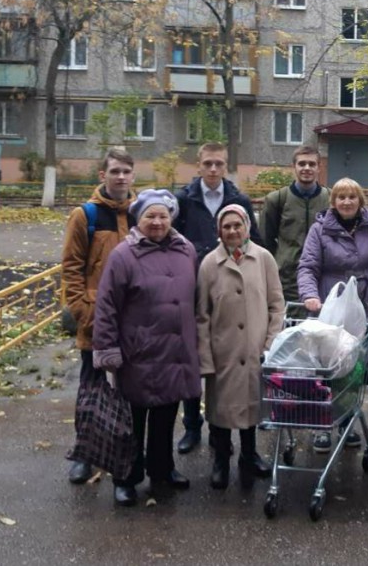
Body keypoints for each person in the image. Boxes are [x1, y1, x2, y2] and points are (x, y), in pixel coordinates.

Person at [92, 189, 201, 507]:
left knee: (166, 418)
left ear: (172, 218)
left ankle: (162, 471)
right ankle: (125, 478)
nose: (157, 222)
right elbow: (107, 305)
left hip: (174, 352)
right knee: (132, 422)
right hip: (137, 352)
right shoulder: (123, 255)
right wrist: (107, 349)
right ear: (138, 219)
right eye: (150, 216)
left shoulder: (187, 250)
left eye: (163, 216)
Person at [173, 141, 263, 455]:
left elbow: (256, 240)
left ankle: (235, 435)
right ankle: (193, 427)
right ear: (198, 165)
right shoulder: (183, 200)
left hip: (230, 289)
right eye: (208, 163)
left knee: (230, 361)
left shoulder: (238, 199)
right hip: (191, 288)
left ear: (226, 166)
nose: (213, 169)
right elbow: (172, 241)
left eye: (219, 164)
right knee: (196, 358)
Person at [298, 178, 368, 453]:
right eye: (341, 197)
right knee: (326, 368)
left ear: (360, 201)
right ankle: (322, 426)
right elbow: (307, 266)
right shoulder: (320, 230)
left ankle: (348, 420)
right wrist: (309, 295)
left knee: (355, 368)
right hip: (331, 305)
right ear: (334, 202)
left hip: (363, 305)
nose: (347, 202)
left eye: (352, 197)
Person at [61, 147, 136, 485]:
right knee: (91, 389)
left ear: (133, 176)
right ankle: (86, 455)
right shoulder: (86, 215)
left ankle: (128, 453)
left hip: (133, 322)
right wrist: (84, 312)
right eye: (115, 171)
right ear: (102, 175)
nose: (120, 177)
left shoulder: (141, 213)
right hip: (96, 321)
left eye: (126, 171)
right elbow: (71, 270)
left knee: (131, 391)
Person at [197, 204, 285, 490]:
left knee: (251, 408)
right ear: (219, 231)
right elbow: (202, 315)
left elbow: (276, 305)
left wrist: (270, 344)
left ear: (247, 226)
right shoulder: (210, 263)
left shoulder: (264, 259)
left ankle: (250, 455)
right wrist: (206, 358)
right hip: (224, 351)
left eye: (238, 225)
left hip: (255, 348)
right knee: (220, 411)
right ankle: (221, 461)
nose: (233, 231)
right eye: (227, 226)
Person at [261, 145, 330, 306]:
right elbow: (265, 242)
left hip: (321, 277)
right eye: (302, 164)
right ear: (294, 166)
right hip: (286, 279)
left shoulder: (331, 199)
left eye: (312, 164)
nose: (307, 168)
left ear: (319, 167)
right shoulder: (276, 200)